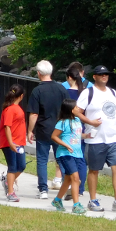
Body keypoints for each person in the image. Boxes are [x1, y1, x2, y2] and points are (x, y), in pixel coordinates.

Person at [75, 66, 116, 213]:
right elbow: (76, 111)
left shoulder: (112, 92)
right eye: (101, 74)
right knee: (94, 170)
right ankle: (93, 200)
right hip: (96, 139)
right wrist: (90, 122)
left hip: (114, 137)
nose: (104, 76)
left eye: (106, 74)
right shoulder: (88, 93)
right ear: (94, 77)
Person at [26, 60, 69, 199]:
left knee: (42, 160)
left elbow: (34, 114)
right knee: (61, 159)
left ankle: (43, 190)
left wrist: (30, 131)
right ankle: (65, 187)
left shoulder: (37, 90)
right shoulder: (61, 88)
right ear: (51, 72)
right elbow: (68, 109)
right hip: (60, 130)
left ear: (39, 73)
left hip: (44, 130)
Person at [51, 98, 87, 215]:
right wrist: (65, 145)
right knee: (75, 178)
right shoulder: (62, 123)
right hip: (65, 154)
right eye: (76, 107)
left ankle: (57, 200)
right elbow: (54, 136)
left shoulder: (77, 120)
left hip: (77, 153)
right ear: (71, 110)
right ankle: (76, 205)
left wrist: (87, 136)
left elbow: (76, 135)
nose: (78, 109)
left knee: (67, 179)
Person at [0, 84, 26, 202]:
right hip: (10, 142)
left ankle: (6, 180)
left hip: (19, 142)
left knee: (22, 165)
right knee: (13, 167)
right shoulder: (10, 109)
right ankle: (10, 192)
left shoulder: (17, 108)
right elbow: (7, 127)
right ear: (21, 96)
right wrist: (10, 142)